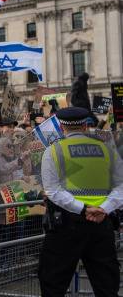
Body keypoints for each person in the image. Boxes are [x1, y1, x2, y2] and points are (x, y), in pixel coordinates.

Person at [38, 107, 123, 297]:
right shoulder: (107, 149)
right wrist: (103, 208)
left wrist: (83, 209)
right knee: (106, 286)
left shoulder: (53, 150)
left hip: (66, 225)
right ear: (85, 125)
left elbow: (53, 191)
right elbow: (121, 186)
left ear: (61, 126)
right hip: (101, 223)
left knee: (53, 284)